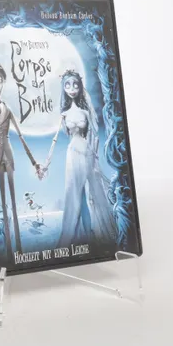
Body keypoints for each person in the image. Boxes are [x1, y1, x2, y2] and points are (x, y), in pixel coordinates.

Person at [42, 70, 116, 247]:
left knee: (89, 191)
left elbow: (94, 136)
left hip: (87, 153)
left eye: (75, 84)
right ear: (64, 88)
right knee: (76, 194)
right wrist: (47, 162)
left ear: (80, 86)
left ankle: (90, 232)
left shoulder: (85, 112)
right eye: (68, 85)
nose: (72, 88)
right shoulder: (64, 114)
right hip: (72, 153)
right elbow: (55, 139)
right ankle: (81, 232)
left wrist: (95, 155)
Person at [0, 62, 41, 263]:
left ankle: (19, 248)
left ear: (3, 81)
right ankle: (9, 249)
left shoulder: (9, 110)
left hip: (9, 153)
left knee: (12, 199)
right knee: (4, 202)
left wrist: (33, 162)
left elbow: (21, 137)